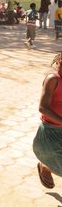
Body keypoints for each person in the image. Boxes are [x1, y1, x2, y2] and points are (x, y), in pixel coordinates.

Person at [32, 51, 62, 189]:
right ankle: (46, 165)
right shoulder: (53, 79)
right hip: (50, 131)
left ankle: (47, 165)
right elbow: (43, 108)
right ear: (58, 62)